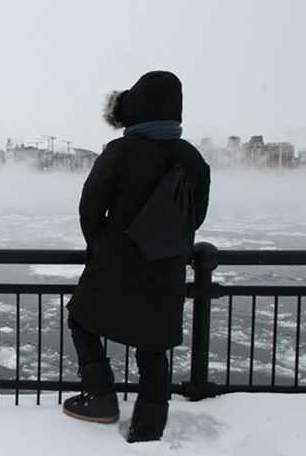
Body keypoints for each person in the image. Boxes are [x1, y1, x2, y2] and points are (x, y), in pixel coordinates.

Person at [63, 71, 210, 443]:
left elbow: (90, 208)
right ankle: (149, 427)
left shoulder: (120, 152)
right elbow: (197, 216)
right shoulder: (193, 159)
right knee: (152, 347)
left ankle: (100, 397)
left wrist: (101, 246)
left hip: (116, 264)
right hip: (167, 267)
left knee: (81, 319)